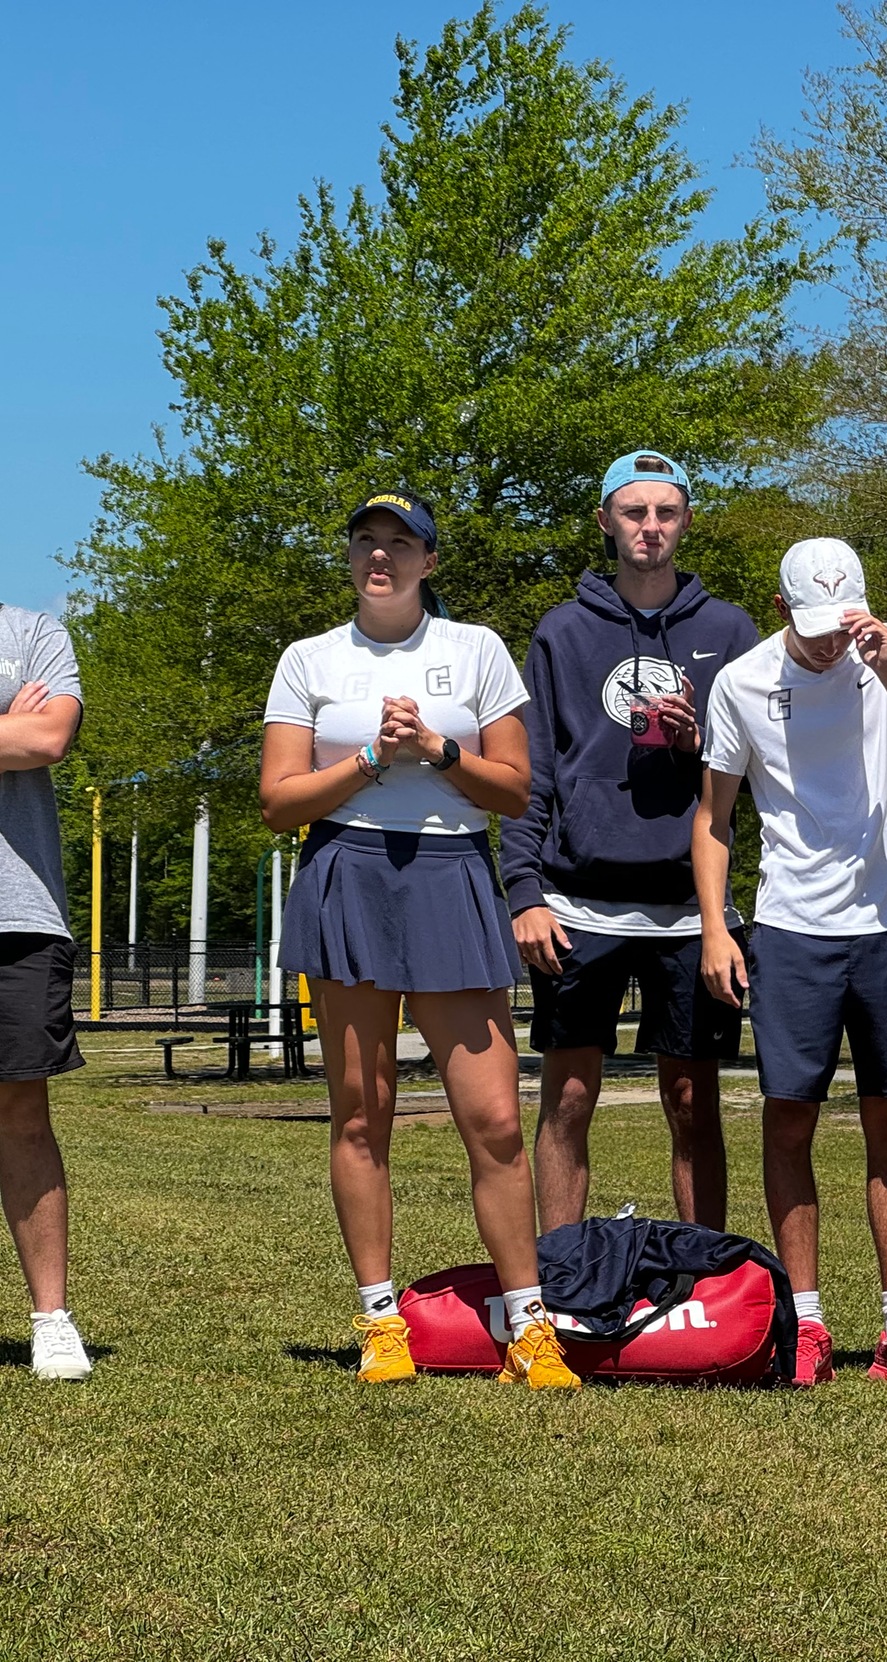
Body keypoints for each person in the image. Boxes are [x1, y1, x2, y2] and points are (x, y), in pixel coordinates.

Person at [261, 490, 577, 1389]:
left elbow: (516, 792)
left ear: (431, 561)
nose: (381, 557)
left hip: (451, 874)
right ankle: (379, 1322)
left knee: (496, 1122)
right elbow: (278, 801)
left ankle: (529, 1328)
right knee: (362, 1116)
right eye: (366, 541)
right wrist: (366, 762)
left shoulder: (475, 648)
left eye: (401, 543)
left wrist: (436, 750)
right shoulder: (308, 658)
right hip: (346, 874)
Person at [693, 536, 887, 1392]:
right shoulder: (741, 681)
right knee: (789, 1120)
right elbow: (714, 818)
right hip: (790, 926)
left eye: (843, 622)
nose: (830, 641)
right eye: (814, 626)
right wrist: (716, 926)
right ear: (781, 610)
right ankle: (807, 1323)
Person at [502, 451, 759, 1233]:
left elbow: (756, 774)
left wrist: (696, 745)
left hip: (691, 910)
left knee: (691, 1102)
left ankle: (709, 1281)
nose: (650, 527)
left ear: (685, 521)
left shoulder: (729, 629)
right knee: (569, 1099)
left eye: (666, 512)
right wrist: (523, 891)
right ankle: (559, 1284)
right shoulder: (562, 631)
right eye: (634, 512)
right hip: (578, 902)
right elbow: (529, 774)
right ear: (605, 521)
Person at [0, 603, 91, 1381]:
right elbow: (19, 739)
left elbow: (48, 738)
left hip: (18, 912)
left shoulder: (34, 632)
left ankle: (50, 1320)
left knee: (23, 1115)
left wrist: (26, 736)